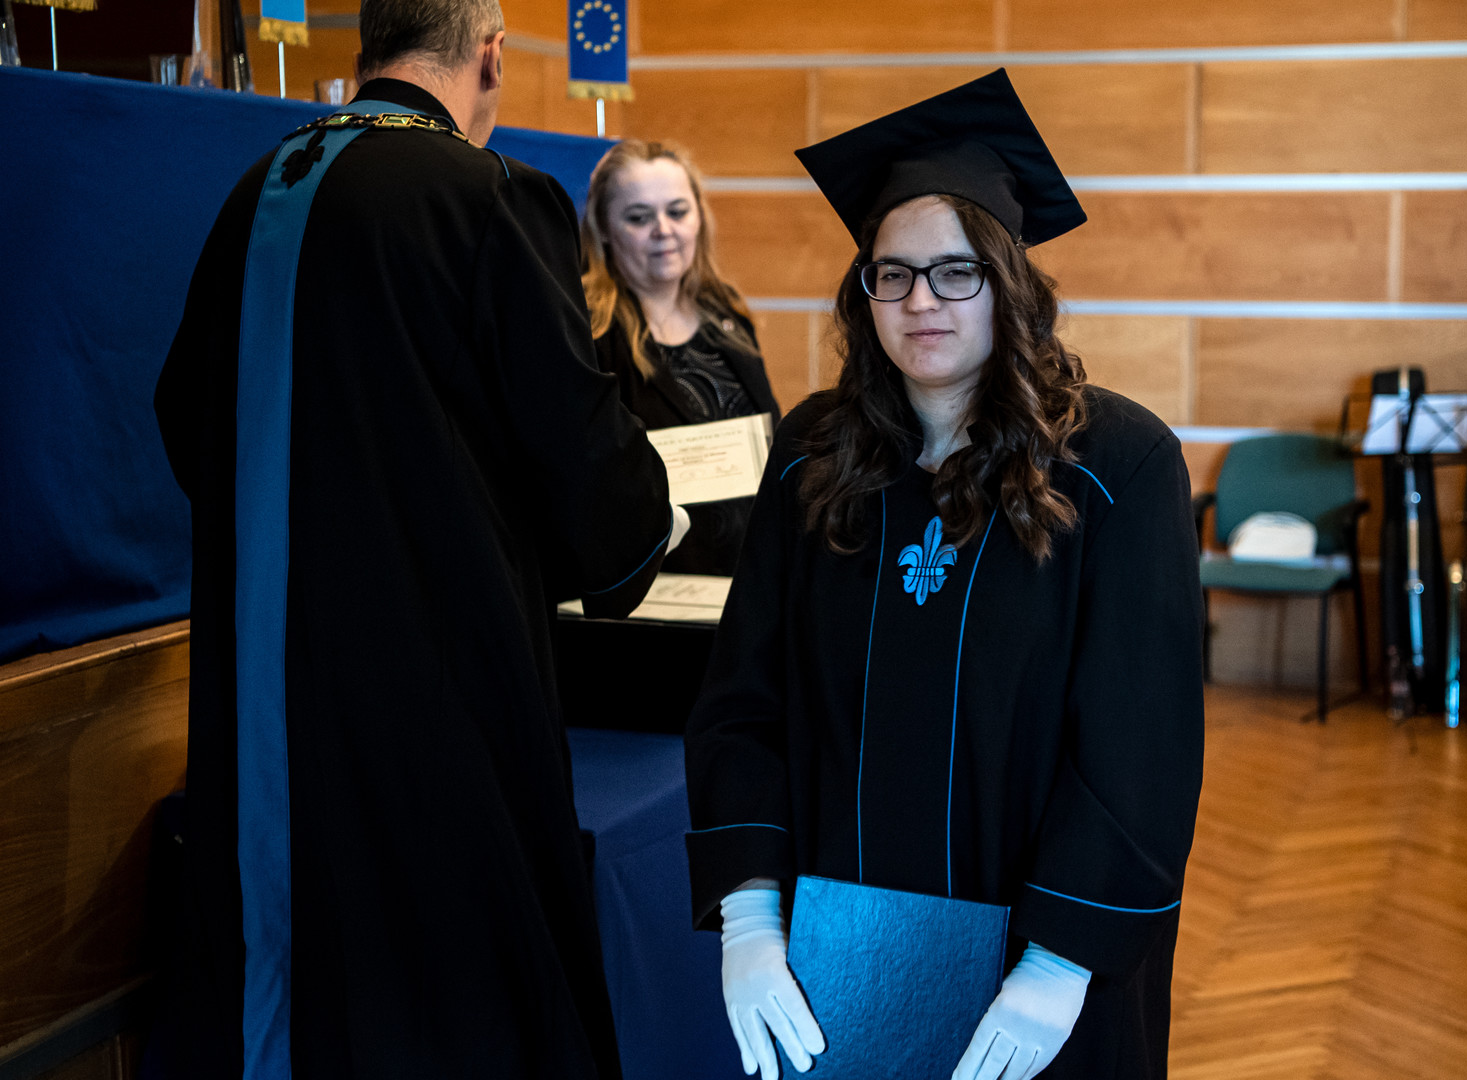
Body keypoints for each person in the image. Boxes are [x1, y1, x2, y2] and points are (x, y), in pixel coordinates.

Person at [152, 1, 684, 1076]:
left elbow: (180, 414)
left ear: (371, 45)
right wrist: (643, 521)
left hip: (267, 693)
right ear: (491, 54)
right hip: (435, 683)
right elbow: (579, 446)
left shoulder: (258, 189)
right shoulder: (487, 195)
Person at [683, 70, 1205, 1080]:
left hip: (1040, 966)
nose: (921, 299)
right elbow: (744, 701)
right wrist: (749, 914)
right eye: (894, 273)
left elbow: (1141, 741)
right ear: (865, 291)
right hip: (843, 952)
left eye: (956, 271)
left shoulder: (1117, 467)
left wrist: (1059, 958)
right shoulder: (811, 456)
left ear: (1009, 283)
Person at [581, 139, 781, 575]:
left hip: (748, 575)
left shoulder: (727, 315)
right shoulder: (588, 334)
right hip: (657, 583)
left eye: (677, 211)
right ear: (603, 229)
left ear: (699, 218)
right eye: (639, 217)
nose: (663, 230)